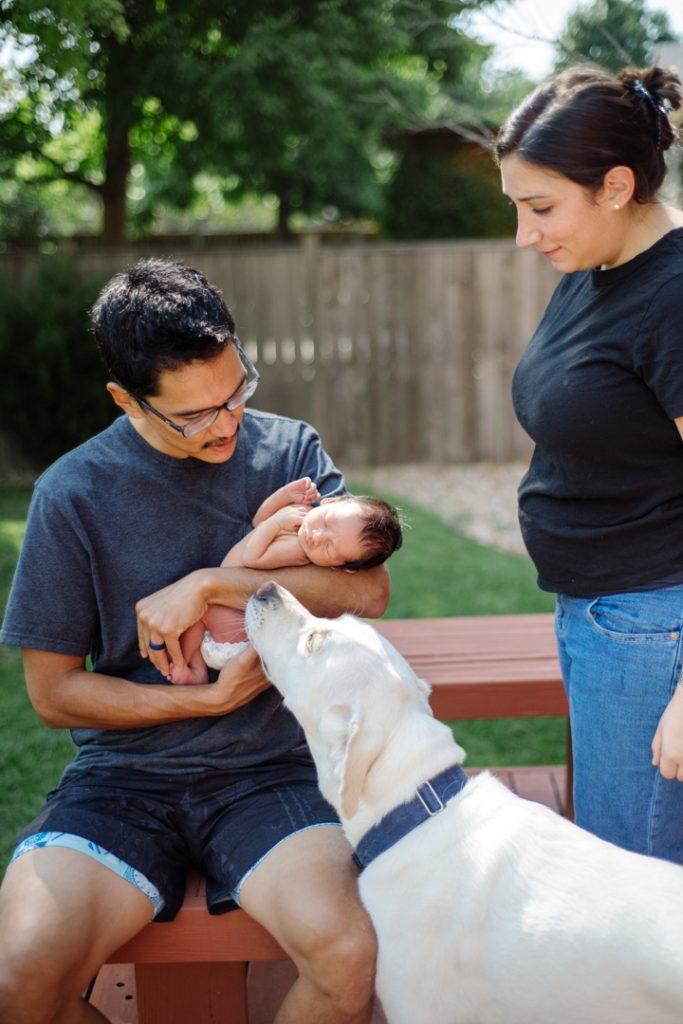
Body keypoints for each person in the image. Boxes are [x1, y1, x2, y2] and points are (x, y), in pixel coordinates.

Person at [0, 258, 389, 1024]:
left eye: (236, 389)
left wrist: (212, 584)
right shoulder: (71, 495)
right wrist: (206, 700)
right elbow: (54, 695)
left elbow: (365, 590)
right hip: (121, 785)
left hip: (269, 775)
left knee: (347, 950)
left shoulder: (292, 455)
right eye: (195, 415)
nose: (227, 423)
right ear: (125, 398)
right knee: (17, 980)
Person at [495, 64, 683, 862]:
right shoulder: (596, 264)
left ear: (614, 185)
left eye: (540, 209)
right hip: (601, 616)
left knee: (632, 885)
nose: (524, 235)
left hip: (654, 629)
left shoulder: (673, 296)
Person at [169, 479, 402, 684]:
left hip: (234, 640)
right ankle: (197, 668)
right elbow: (260, 520)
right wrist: (285, 496)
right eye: (327, 522)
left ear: (338, 567)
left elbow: (253, 557)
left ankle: (194, 666)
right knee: (199, 614)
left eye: (329, 547)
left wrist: (278, 523)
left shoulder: (298, 551)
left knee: (202, 611)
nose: (317, 537)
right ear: (331, 502)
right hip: (224, 628)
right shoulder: (303, 518)